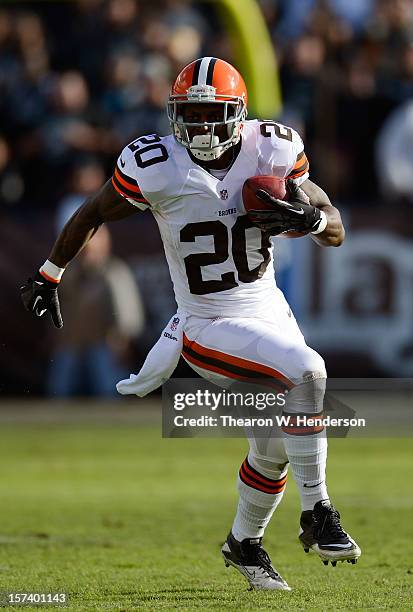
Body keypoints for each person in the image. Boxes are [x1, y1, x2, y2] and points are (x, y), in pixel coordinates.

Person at [21, 56, 360, 591]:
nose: (200, 127)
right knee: (309, 373)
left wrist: (311, 218)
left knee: (273, 445)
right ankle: (318, 511)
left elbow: (333, 227)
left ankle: (244, 544)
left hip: (268, 311)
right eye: (191, 114)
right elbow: (93, 210)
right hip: (206, 322)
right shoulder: (157, 163)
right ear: (175, 114)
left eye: (212, 114)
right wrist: (50, 272)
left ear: (239, 113)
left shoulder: (272, 147)